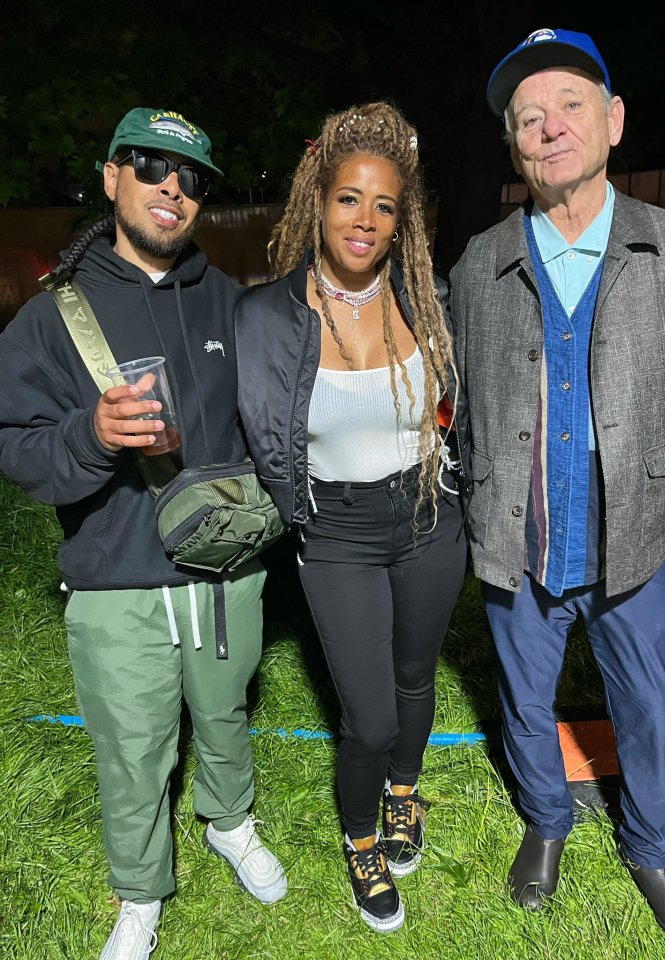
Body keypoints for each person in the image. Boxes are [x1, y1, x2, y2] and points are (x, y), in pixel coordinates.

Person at [450, 28, 665, 948]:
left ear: (614, 122)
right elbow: (457, 404)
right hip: (520, 539)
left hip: (644, 542)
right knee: (524, 701)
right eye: (527, 118)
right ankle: (547, 822)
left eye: (570, 106)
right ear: (513, 146)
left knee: (649, 706)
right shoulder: (477, 265)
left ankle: (651, 847)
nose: (549, 127)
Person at [0, 107, 287, 960]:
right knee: (133, 751)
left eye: (191, 176)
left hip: (226, 570)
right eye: (151, 165)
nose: (172, 186)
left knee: (227, 714)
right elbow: (13, 446)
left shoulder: (236, 304)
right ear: (110, 177)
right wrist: (90, 436)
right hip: (114, 580)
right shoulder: (54, 319)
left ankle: (230, 824)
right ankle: (139, 891)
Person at [235, 101, 469, 934]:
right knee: (366, 715)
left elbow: (462, 406)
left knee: (416, 680)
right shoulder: (265, 318)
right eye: (348, 199)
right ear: (317, 201)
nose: (365, 220)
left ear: (400, 220)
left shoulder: (430, 299)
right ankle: (362, 833)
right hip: (333, 534)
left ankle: (405, 794)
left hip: (428, 517)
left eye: (385, 205)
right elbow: (246, 430)